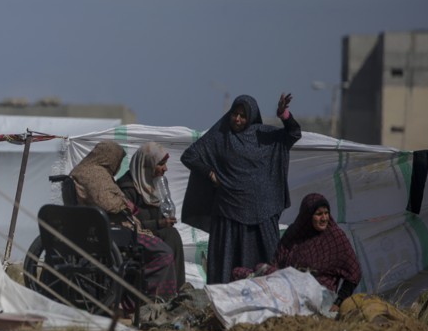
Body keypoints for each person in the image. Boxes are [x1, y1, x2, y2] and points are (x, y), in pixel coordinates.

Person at [181, 93, 300, 285]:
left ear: (251, 117)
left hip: (261, 215)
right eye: (234, 114)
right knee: (226, 270)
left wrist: (283, 114)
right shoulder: (220, 136)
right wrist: (210, 173)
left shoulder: (265, 136)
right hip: (228, 215)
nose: (237, 119)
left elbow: (293, 134)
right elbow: (190, 156)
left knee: (267, 268)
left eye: (242, 115)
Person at [69, 140, 178, 299]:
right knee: (164, 253)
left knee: (171, 236)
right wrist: (127, 204)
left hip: (107, 227)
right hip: (115, 231)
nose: (118, 166)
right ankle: (149, 299)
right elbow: (108, 203)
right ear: (110, 157)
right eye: (118, 161)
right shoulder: (95, 174)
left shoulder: (87, 171)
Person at [117, 142, 186, 290]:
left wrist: (164, 221)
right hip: (134, 235)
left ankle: (177, 288)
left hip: (152, 232)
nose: (165, 169)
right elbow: (129, 223)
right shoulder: (127, 188)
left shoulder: (153, 184)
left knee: (171, 233)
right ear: (147, 165)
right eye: (161, 164)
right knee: (170, 234)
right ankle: (169, 290)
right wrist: (159, 223)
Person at [275, 193, 362, 305]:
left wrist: (339, 301)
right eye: (319, 214)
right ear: (307, 216)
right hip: (289, 295)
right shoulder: (293, 235)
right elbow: (277, 263)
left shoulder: (335, 238)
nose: (324, 218)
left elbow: (354, 273)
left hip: (320, 301)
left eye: (326, 213)